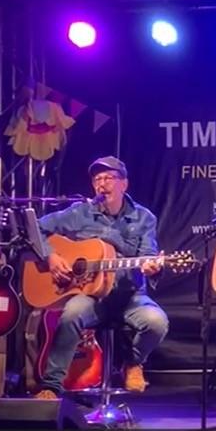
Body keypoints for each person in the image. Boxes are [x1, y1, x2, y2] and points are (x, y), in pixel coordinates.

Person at [34, 156, 169, 399]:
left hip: (130, 297)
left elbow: (148, 255)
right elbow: (36, 228)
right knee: (71, 315)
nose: (101, 184)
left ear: (124, 184)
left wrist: (152, 267)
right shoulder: (80, 213)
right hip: (90, 296)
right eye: (97, 179)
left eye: (108, 178)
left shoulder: (144, 218)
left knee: (156, 322)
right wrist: (51, 257)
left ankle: (132, 363)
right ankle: (51, 386)